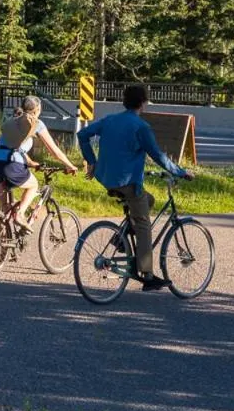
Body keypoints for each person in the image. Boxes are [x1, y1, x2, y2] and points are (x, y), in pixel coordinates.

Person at [78, 82, 193, 291]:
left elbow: (82, 135)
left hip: (107, 178)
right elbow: (158, 155)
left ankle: (120, 237)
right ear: (143, 103)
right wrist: (180, 172)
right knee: (143, 223)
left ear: (124, 101)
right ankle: (147, 275)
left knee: (148, 200)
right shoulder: (141, 127)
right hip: (128, 182)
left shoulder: (110, 120)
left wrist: (91, 161)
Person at [0, 95, 77, 230]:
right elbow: (54, 151)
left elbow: (15, 148)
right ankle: (20, 214)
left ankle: (3, 246)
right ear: (37, 110)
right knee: (33, 185)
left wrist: (30, 162)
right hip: (10, 165)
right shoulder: (36, 123)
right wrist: (70, 165)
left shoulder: (13, 121)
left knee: (4, 209)